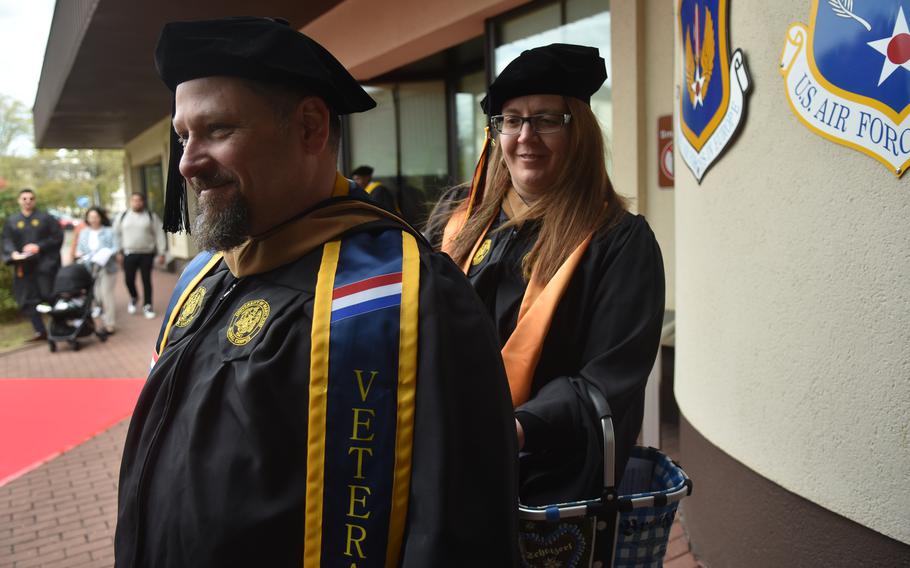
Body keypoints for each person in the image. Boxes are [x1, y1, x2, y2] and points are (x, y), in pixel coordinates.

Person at [114, 17, 518, 568]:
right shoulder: (206, 279)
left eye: (218, 130)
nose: (188, 162)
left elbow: (461, 537)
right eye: (183, 135)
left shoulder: (410, 299)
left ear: (309, 127)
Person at [429, 44, 666, 508]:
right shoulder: (458, 219)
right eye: (511, 120)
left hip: (544, 480)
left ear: (578, 130)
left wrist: (515, 428)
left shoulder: (618, 243)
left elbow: (608, 377)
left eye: (546, 119)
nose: (525, 136)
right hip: (443, 458)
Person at [1, 188, 63, 340]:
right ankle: (40, 331)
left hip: (44, 265)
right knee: (27, 299)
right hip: (23, 267)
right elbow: (6, 240)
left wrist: (39, 246)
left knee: (48, 295)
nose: (27, 201)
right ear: (19, 201)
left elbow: (57, 237)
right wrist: (13, 253)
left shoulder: (46, 218)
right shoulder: (13, 221)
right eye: (24, 198)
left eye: (31, 198)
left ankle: (60, 326)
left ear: (35, 200)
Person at [113, 192, 166, 319]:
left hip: (146, 254)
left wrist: (162, 252)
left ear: (143, 202)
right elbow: (115, 235)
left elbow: (159, 234)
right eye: (134, 200)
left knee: (146, 280)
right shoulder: (122, 216)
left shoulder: (150, 216)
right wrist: (118, 252)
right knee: (128, 280)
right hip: (128, 253)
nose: (137, 202)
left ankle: (148, 305)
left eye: (139, 200)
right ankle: (134, 296)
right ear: (130, 202)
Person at [75, 207, 118, 334]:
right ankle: (104, 315)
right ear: (87, 218)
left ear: (101, 218)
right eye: (91, 217)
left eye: (96, 216)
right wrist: (81, 254)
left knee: (106, 295)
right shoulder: (84, 233)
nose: (94, 219)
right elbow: (80, 248)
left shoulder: (109, 231)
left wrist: (107, 252)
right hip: (90, 267)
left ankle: (110, 324)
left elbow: (116, 246)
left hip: (106, 267)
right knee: (97, 296)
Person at [352, 165, 427, 228]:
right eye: (354, 179)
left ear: (367, 178)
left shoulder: (379, 191)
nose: (356, 182)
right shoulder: (367, 191)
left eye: (358, 179)